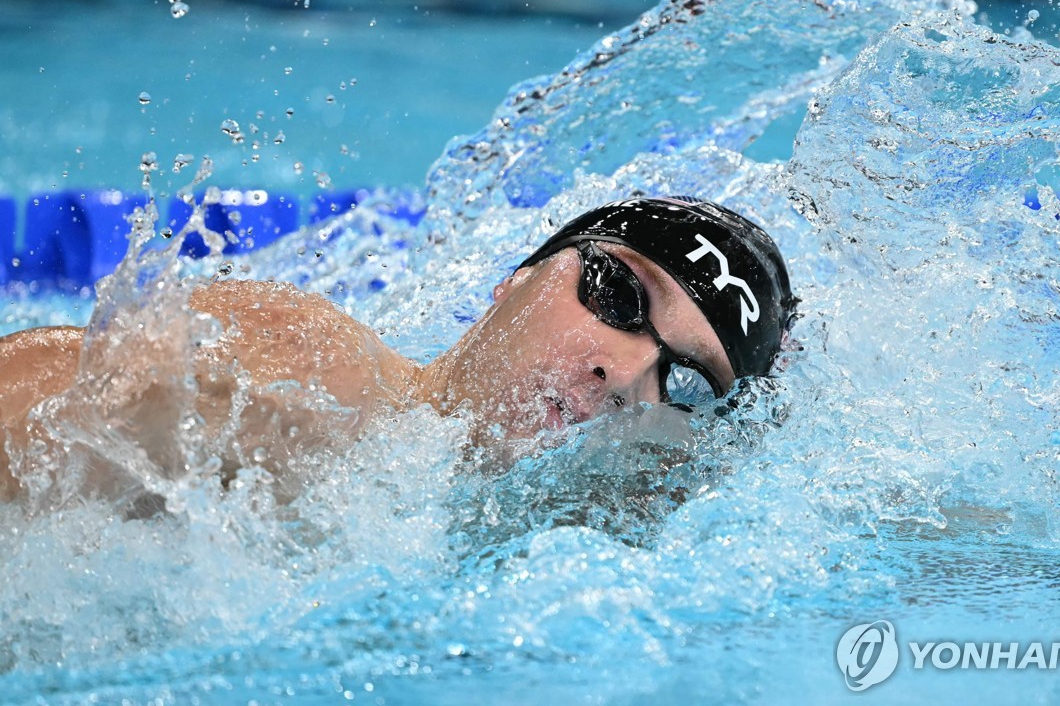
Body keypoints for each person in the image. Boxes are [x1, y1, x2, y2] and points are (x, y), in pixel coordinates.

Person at [0, 196, 794, 504]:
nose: (623, 373)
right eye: (619, 297)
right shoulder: (320, 384)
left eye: (682, 381)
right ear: (518, 278)